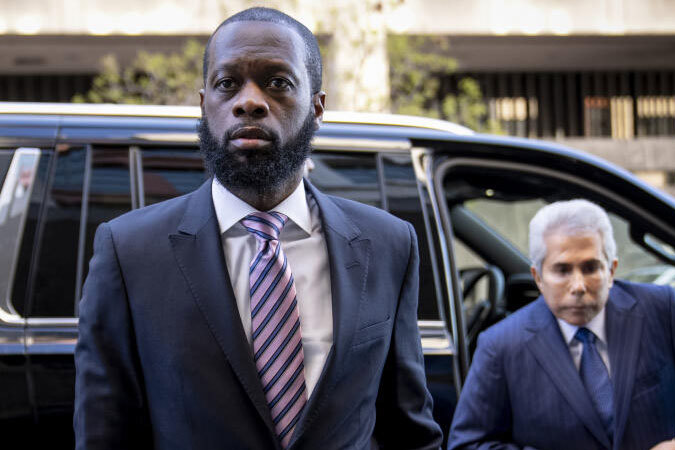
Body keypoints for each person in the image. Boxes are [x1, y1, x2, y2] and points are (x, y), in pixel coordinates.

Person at [73, 7, 442, 450]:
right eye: (227, 84)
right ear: (204, 103)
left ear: (318, 107)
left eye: (278, 83)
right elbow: (105, 435)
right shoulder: (129, 251)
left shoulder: (388, 244)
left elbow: (408, 430)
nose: (249, 101)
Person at [447, 199, 675, 450]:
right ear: (538, 277)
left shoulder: (661, 310)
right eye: (562, 270)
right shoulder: (500, 345)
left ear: (611, 270)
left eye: (591, 268)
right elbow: (468, 444)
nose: (578, 285)